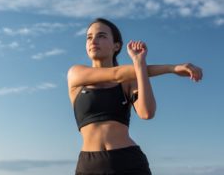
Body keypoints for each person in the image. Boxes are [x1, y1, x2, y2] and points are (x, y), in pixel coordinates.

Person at [67, 18, 203, 175]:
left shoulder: (129, 80)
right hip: (90, 166)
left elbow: (147, 113)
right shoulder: (76, 74)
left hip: (128, 162)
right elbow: (116, 74)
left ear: (116, 46)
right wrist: (171, 68)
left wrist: (140, 64)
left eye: (101, 36)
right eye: (89, 37)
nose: (93, 41)